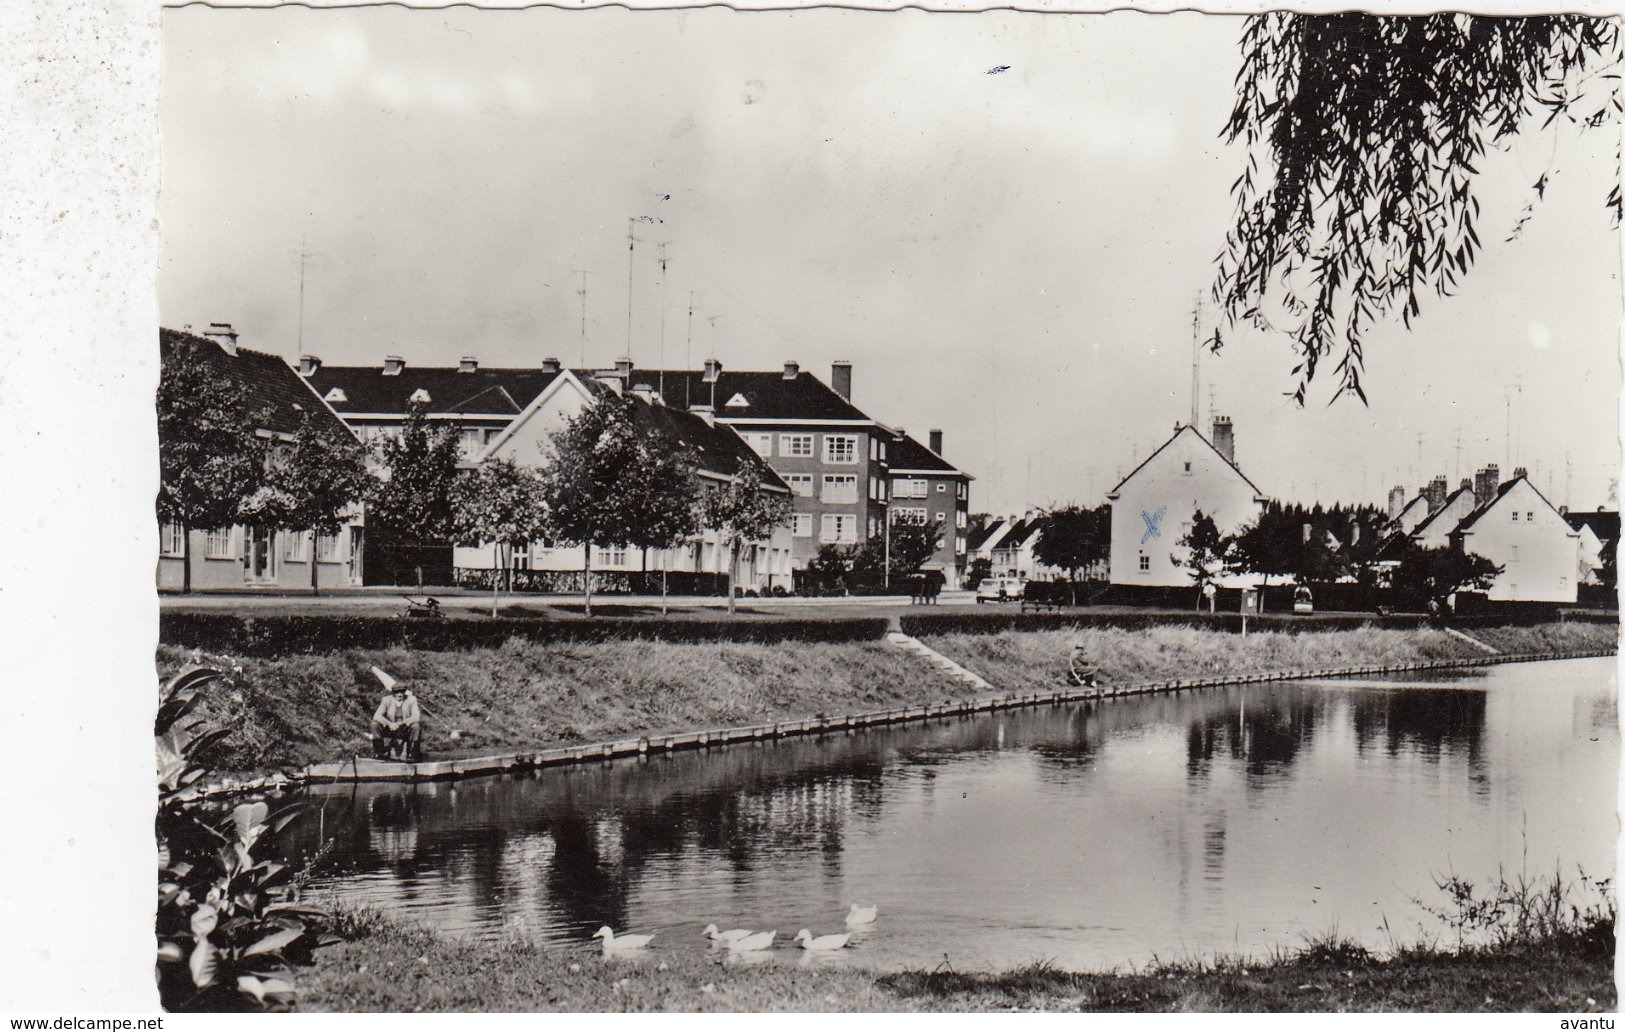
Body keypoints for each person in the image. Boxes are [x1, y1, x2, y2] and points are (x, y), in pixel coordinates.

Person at [369, 666, 422, 761]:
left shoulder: (411, 700)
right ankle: (379, 753)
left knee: (416, 726)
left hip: (404, 729)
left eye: (402, 692)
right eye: (397, 692)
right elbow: (377, 715)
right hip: (390, 728)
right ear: (393, 693)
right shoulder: (386, 700)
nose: (399, 695)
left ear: (405, 693)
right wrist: (389, 724)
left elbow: (416, 716)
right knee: (374, 724)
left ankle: (411, 754)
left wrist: (401, 723)